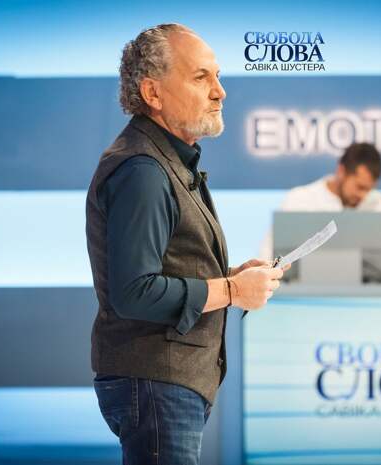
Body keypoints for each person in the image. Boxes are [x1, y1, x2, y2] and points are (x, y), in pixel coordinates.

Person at [85, 23, 286, 464]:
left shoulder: (165, 160)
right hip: (155, 380)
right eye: (201, 77)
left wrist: (232, 277)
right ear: (153, 93)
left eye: (218, 75)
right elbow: (135, 292)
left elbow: (169, 266)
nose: (220, 92)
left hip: (164, 382)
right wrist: (231, 291)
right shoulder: (143, 169)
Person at [259, 142, 381, 274]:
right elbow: (267, 261)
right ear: (341, 171)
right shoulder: (299, 200)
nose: (363, 196)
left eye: (369, 189)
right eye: (359, 187)